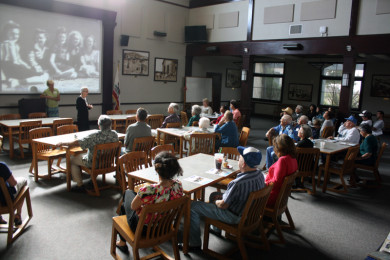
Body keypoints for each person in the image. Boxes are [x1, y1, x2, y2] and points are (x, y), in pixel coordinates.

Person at [188, 146, 265, 249]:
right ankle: (216, 229)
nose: (238, 159)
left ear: (244, 164)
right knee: (213, 195)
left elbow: (223, 205)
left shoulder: (237, 183)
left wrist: (216, 202)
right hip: (250, 212)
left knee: (193, 207)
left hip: (234, 216)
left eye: (240, 158)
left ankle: (194, 243)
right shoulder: (260, 175)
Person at [115, 152, 183, 253]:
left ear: (157, 170)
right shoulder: (178, 186)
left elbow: (133, 207)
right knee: (129, 199)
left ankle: (122, 242)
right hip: (164, 227)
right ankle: (122, 240)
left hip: (144, 229)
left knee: (128, 194)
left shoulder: (148, 190)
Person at [56, 115, 118, 191]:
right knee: (88, 154)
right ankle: (92, 180)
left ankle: (80, 185)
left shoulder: (95, 136)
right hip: (108, 162)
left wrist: (63, 143)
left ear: (99, 125)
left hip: (94, 163)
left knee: (72, 160)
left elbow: (78, 142)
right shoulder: (115, 134)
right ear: (110, 125)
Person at [265, 134, 298, 207]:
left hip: (272, 196)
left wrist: (264, 183)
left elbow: (276, 182)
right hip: (282, 197)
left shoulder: (282, 160)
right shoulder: (293, 158)